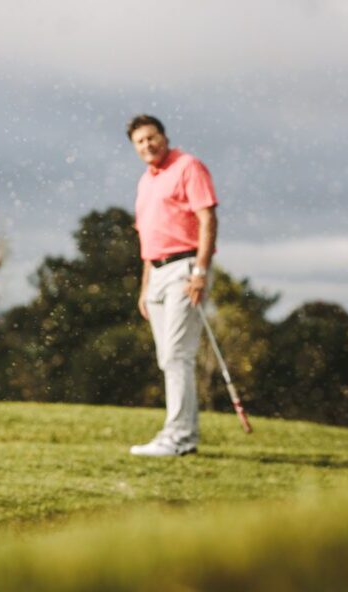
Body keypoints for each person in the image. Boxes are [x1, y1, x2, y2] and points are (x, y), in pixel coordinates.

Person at [126, 115, 218, 457]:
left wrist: (201, 271)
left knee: (177, 355)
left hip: (186, 266)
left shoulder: (188, 166)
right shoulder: (145, 182)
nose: (147, 145)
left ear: (164, 137)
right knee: (168, 358)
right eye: (140, 141)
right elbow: (149, 239)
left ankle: (178, 437)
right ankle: (182, 435)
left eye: (152, 137)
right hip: (158, 273)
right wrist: (144, 287)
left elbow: (207, 218)